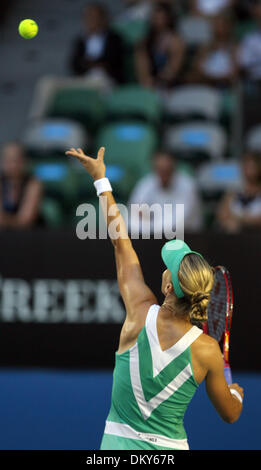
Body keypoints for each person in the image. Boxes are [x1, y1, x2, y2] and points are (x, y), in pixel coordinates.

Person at [65, 145, 243, 451]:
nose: (164, 270)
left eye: (167, 268)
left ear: (168, 286)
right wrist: (237, 394)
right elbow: (230, 414)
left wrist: (100, 180)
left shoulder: (138, 310)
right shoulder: (207, 351)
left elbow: (120, 242)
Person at [128, 150, 203, 236]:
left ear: (174, 167)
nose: (163, 173)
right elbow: (135, 212)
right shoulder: (146, 183)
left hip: (187, 237)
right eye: (160, 169)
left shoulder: (188, 186)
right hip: (152, 237)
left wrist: (150, 221)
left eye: (166, 170)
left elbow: (177, 222)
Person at [69, 3, 124, 84]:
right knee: (49, 83)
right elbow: (74, 64)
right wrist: (92, 64)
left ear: (103, 18)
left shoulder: (114, 39)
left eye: (94, 17)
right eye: (87, 17)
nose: (90, 20)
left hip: (107, 80)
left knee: (97, 74)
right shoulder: (80, 41)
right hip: (82, 78)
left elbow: (113, 62)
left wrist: (88, 63)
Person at [135, 2, 185, 88]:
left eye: (161, 18)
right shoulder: (144, 41)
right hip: (149, 83)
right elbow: (142, 67)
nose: (157, 21)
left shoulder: (176, 41)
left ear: (168, 19)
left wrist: (158, 82)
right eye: (154, 18)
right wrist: (146, 80)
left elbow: (173, 70)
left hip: (169, 84)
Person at [0, 142, 43, 229]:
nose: (12, 165)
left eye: (16, 160)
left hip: (30, 236)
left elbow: (26, 220)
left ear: (24, 161)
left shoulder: (34, 183)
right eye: (8, 160)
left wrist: (6, 221)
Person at [217, 150, 261, 232]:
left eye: (252, 166)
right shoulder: (233, 191)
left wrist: (241, 220)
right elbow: (222, 215)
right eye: (245, 166)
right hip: (236, 237)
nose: (247, 170)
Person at [189, 14, 238, 87]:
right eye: (216, 25)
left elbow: (234, 71)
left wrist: (219, 78)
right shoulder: (205, 47)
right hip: (206, 83)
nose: (218, 29)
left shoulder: (234, 47)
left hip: (226, 84)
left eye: (221, 26)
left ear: (228, 27)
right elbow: (198, 68)